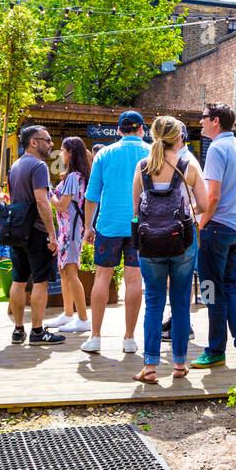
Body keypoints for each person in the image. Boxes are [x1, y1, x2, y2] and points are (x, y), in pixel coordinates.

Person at [132, 115, 208, 383]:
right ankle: (179, 364)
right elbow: (204, 204)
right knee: (180, 303)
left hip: (150, 243)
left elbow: (136, 212)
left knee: (153, 302)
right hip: (182, 242)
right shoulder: (188, 167)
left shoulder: (142, 167)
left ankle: (150, 367)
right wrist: (187, 211)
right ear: (178, 138)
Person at [191, 102, 236, 369]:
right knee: (228, 287)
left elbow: (213, 196)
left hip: (216, 227)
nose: (200, 122)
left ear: (215, 120)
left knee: (211, 290)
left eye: (203, 118)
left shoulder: (216, 148)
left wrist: (201, 223)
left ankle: (216, 350)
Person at [82, 111, 150, 354]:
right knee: (134, 280)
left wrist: (88, 226)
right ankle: (129, 338)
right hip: (140, 224)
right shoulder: (151, 153)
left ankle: (96, 336)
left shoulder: (105, 154)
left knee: (102, 278)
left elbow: (91, 196)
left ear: (119, 130)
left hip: (108, 224)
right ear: (142, 129)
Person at [7, 125, 64, 345]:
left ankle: (18, 330)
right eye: (47, 140)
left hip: (17, 230)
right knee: (41, 281)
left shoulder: (16, 164)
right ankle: (38, 331)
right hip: (37, 230)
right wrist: (52, 233)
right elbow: (42, 201)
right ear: (33, 142)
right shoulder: (39, 166)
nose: (51, 144)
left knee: (19, 279)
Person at [47, 136, 93, 333]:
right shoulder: (76, 176)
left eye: (63, 151)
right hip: (68, 230)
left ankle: (82, 318)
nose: (61, 154)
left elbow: (62, 205)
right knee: (65, 271)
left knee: (71, 273)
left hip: (71, 231)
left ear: (71, 152)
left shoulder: (74, 177)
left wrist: (48, 193)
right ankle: (67, 314)